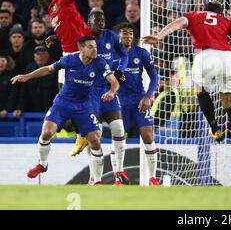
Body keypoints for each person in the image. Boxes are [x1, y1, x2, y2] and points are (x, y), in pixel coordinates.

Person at [141, 1, 231, 165]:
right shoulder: (225, 21)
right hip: (227, 57)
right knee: (229, 102)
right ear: (219, 13)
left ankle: (214, 127)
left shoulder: (194, 15)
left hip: (205, 55)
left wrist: (159, 36)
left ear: (203, 10)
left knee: (201, 91)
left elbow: (177, 24)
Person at [11, 35, 119, 185]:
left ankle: (98, 181)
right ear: (81, 48)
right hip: (63, 103)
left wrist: (112, 92)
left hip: (84, 106)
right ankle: (43, 164)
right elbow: (48, 69)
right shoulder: (70, 60)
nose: (95, 49)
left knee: (95, 140)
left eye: (95, 46)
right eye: (90, 47)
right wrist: (28, 76)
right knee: (46, 132)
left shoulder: (99, 62)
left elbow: (114, 82)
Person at [35, 0, 92, 156]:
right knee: (63, 94)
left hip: (80, 52)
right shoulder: (52, 12)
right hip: (68, 53)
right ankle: (81, 133)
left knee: (75, 96)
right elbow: (67, 28)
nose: (40, 2)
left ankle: (85, 132)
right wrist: (54, 37)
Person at [85, 10, 129, 185]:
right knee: (95, 135)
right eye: (96, 20)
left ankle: (119, 171)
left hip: (109, 87)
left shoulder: (111, 36)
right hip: (90, 90)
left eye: (103, 19)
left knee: (118, 128)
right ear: (89, 22)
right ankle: (95, 177)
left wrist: (120, 70)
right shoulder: (84, 38)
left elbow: (124, 55)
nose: (100, 22)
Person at [115, 22, 160, 186]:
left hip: (139, 101)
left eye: (130, 33)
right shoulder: (113, 55)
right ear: (117, 36)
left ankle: (152, 178)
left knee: (148, 136)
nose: (127, 36)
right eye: (124, 33)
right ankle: (117, 176)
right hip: (119, 103)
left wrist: (148, 96)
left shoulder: (141, 53)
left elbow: (154, 77)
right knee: (119, 139)